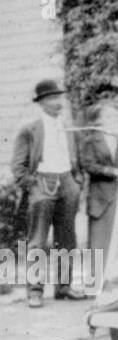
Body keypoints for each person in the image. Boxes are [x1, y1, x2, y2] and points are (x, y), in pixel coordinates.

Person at [10, 80, 84, 307]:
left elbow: (75, 158)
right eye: (52, 98)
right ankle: (34, 291)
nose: (57, 103)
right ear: (41, 102)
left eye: (59, 98)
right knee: (38, 241)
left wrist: (75, 181)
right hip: (42, 183)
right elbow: (18, 167)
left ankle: (64, 287)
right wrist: (33, 185)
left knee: (67, 240)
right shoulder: (29, 129)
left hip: (67, 182)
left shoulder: (67, 126)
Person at [79, 101, 118, 265]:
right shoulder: (91, 140)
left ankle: (109, 280)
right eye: (110, 116)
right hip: (100, 196)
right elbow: (88, 165)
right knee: (98, 241)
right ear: (99, 120)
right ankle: (93, 283)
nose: (115, 118)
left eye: (116, 115)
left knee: (114, 239)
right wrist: (111, 171)